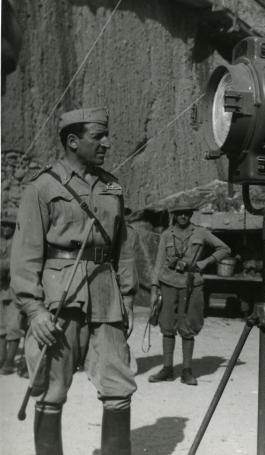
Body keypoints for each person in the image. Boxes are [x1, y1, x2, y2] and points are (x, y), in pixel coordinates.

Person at [11, 107, 138, 455]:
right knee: (50, 388)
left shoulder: (112, 185)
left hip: (107, 295)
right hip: (58, 300)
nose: (107, 144)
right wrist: (34, 311)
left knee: (118, 385)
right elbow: (25, 255)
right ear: (72, 140)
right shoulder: (42, 187)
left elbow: (123, 247)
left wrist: (127, 298)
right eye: (98, 137)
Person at [149, 204, 230, 386]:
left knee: (188, 326)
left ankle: (186, 371)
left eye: (187, 213)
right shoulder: (166, 235)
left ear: (191, 214)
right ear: (175, 215)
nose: (184, 216)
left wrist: (204, 263)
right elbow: (158, 263)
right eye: (180, 213)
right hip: (168, 283)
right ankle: (167, 369)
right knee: (167, 325)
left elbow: (224, 248)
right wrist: (154, 289)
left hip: (191, 285)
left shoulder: (200, 233)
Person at [0, 209, 24, 375]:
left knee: (14, 326)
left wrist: (3, 266)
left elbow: (16, 263)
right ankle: (2, 359)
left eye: (10, 226)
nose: (6, 229)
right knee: (1, 327)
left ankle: (9, 361)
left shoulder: (20, 242)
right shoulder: (2, 242)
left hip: (14, 289)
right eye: (4, 226)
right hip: (2, 289)